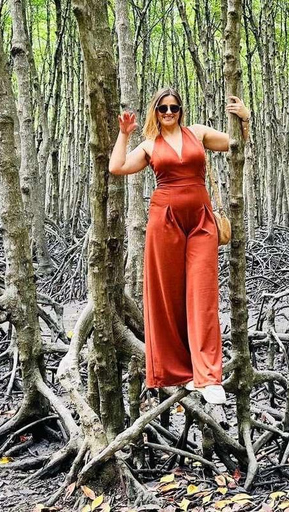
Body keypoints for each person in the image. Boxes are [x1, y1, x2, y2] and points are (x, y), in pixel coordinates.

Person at [108, 87, 251, 405]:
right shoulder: (149, 146)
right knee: (168, 297)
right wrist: (123, 134)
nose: (169, 112)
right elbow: (117, 168)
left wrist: (245, 120)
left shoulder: (197, 133)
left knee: (202, 296)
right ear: (155, 112)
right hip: (165, 221)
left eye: (174, 107)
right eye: (163, 108)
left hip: (201, 221)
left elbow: (235, 145)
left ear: (181, 110)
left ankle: (208, 376)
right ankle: (177, 372)